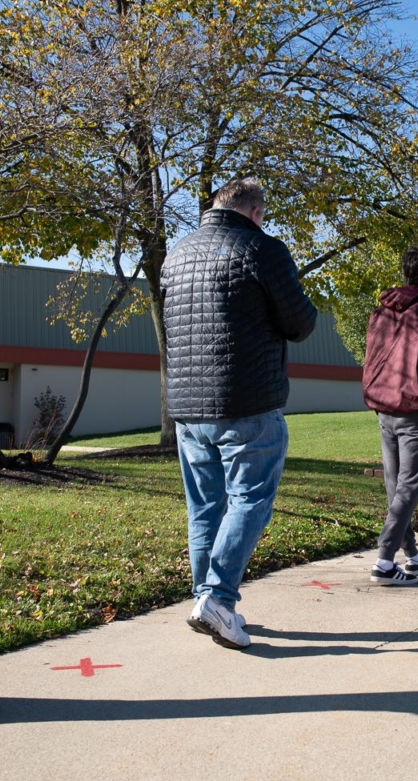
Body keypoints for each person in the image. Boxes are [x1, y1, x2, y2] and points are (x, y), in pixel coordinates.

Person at [162, 177, 318, 647]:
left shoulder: (177, 253)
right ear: (254, 211)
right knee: (250, 499)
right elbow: (301, 323)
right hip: (247, 399)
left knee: (205, 505)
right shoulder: (262, 248)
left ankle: (205, 597)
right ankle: (218, 597)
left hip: (188, 406)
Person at [361, 246, 418, 584]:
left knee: (396, 485)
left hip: (385, 405)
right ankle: (384, 561)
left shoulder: (382, 310)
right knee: (408, 487)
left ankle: (410, 554)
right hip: (417, 408)